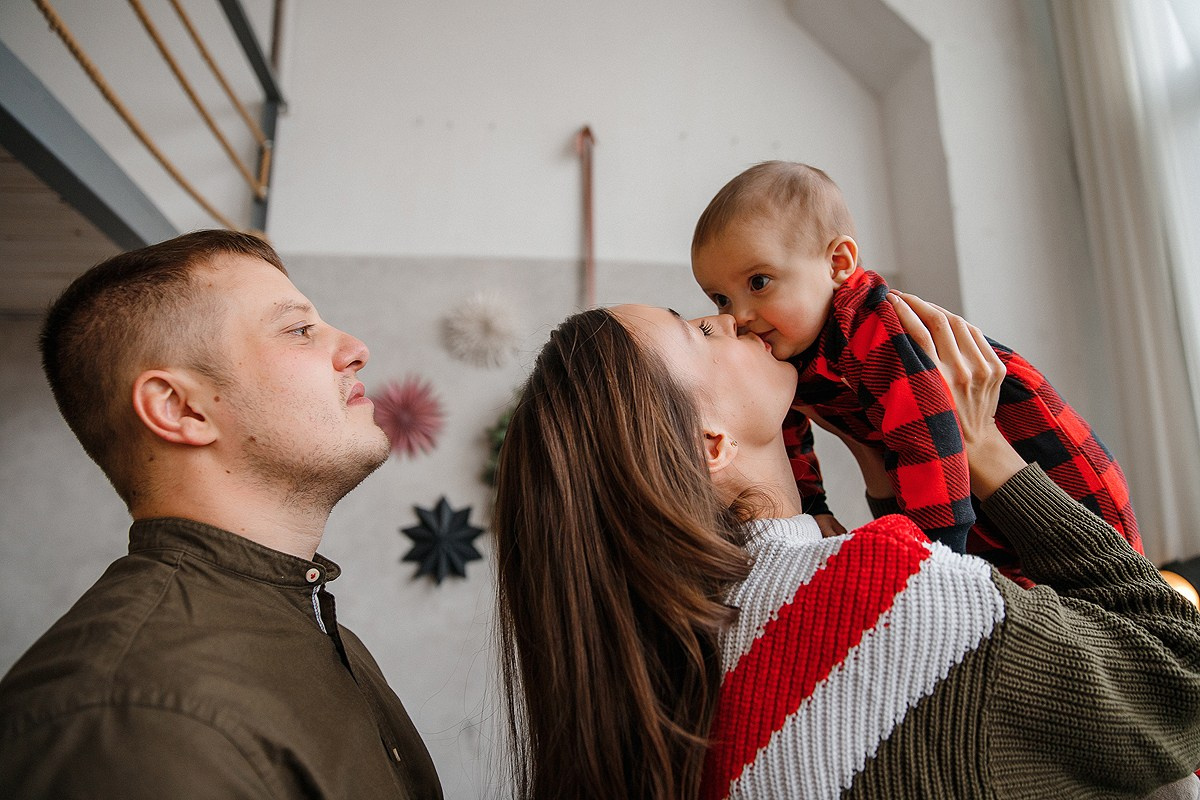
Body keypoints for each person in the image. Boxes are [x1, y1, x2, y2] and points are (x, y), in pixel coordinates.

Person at [490, 294, 1200, 799]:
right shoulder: (874, 586)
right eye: (701, 330)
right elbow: (1181, 680)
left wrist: (884, 493)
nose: (736, 318)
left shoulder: (670, 686)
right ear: (711, 444)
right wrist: (988, 452)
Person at [0, 230, 443, 799]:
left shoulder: (319, 630)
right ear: (179, 408)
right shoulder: (129, 720)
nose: (355, 348)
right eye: (299, 329)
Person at [690, 160, 1139, 585]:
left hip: (1054, 471)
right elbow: (783, 436)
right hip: (971, 501)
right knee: (1022, 592)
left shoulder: (867, 323)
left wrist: (933, 559)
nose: (740, 314)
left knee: (1104, 574)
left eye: (758, 282)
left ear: (838, 264)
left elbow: (926, 436)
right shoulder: (783, 353)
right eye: (721, 299)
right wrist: (812, 509)